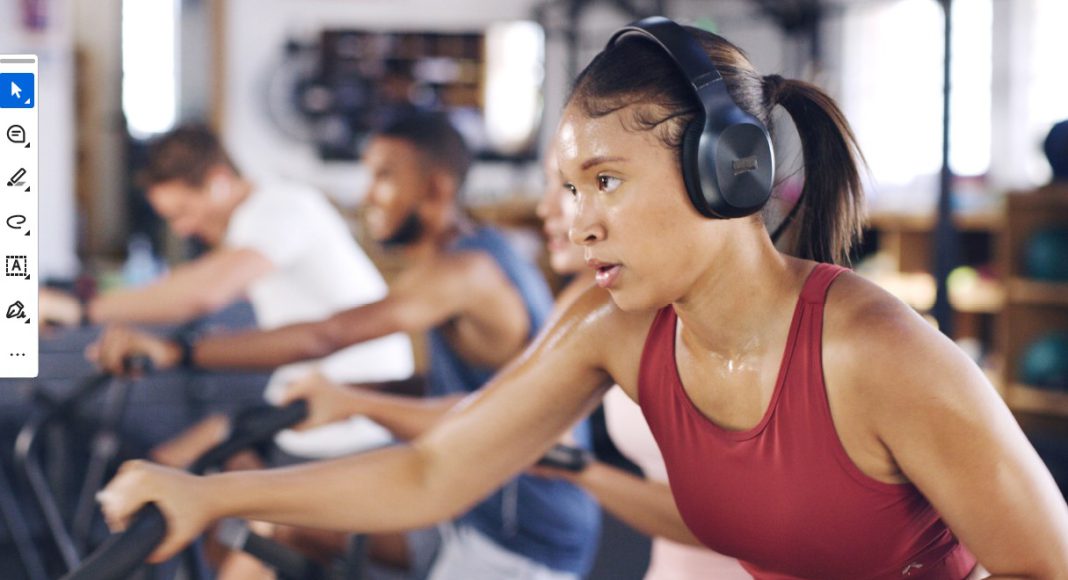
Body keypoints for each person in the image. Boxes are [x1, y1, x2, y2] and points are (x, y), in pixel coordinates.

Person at [98, 18, 1068, 578]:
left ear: (728, 171)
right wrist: (208, 494)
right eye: (570, 189)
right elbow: (435, 469)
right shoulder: (612, 329)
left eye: (607, 180)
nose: (580, 219)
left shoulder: (877, 353)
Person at [93, 112, 601, 580]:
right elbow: (468, 386)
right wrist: (360, 389)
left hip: (513, 536)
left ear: (435, 187)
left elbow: (327, 335)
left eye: (384, 176)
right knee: (269, 523)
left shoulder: (462, 272)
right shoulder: (479, 252)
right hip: (482, 505)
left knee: (261, 515)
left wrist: (177, 353)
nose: (367, 196)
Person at [531, 147, 751, 579]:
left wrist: (576, 468)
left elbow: (733, 523)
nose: (548, 207)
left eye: (596, 184)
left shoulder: (718, 321)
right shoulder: (592, 305)